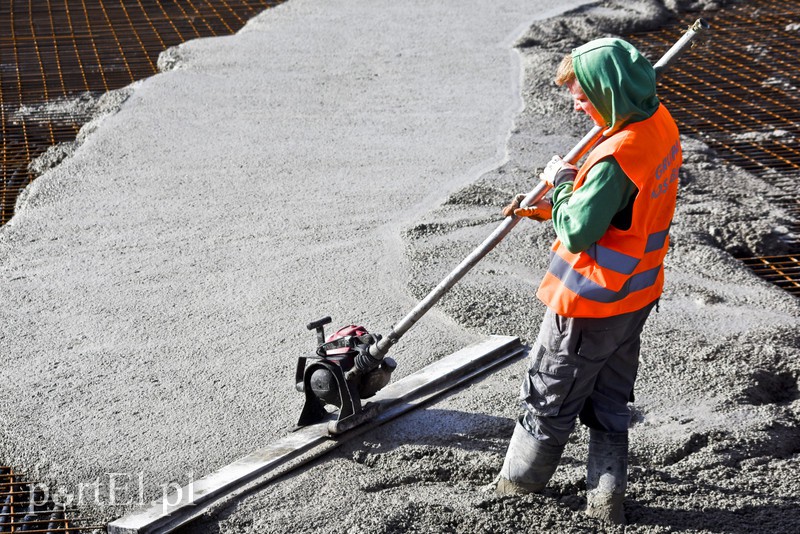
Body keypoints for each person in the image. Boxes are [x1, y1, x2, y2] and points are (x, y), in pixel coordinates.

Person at [494, 37, 681, 526]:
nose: (577, 104)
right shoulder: (656, 123)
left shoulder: (617, 155)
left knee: (547, 395)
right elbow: (619, 211)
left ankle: (518, 489)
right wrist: (547, 207)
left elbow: (578, 230)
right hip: (635, 295)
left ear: (607, 89)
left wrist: (558, 184)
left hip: (589, 304)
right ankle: (606, 503)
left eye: (582, 94)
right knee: (609, 399)